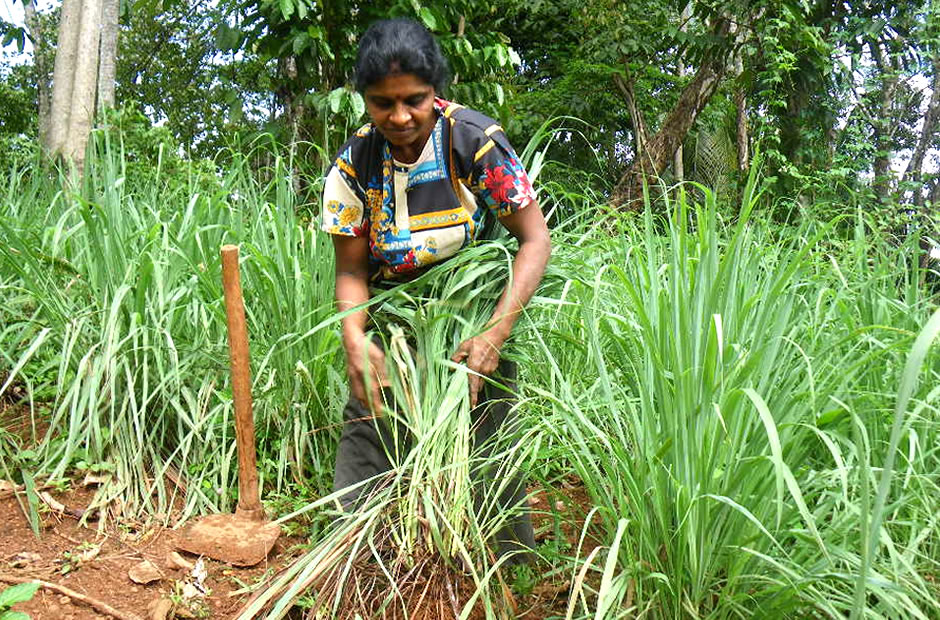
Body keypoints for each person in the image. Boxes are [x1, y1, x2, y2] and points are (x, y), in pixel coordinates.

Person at [321, 17, 551, 563]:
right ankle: (356, 564)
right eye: (383, 103)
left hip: (473, 313)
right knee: (371, 426)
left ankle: (506, 570)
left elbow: (535, 240)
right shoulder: (355, 164)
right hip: (393, 315)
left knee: (487, 433)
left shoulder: (473, 141)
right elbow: (352, 272)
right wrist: (355, 335)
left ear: (436, 91)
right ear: (365, 101)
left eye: (415, 100)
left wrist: (495, 333)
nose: (400, 117)